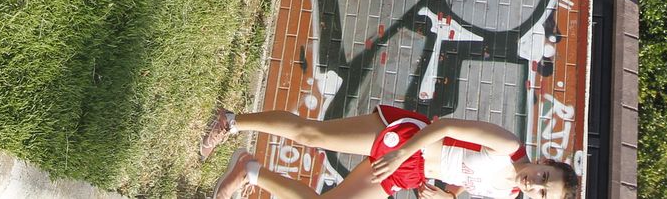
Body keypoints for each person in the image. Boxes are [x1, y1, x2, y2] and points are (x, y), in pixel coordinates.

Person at [198, 104, 578, 199]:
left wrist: (447, 196)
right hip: (406, 138)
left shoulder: (508, 194)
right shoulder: (510, 147)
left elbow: (463, 182)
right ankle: (231, 121)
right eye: (545, 178)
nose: (535, 185)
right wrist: (399, 153)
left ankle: (248, 170)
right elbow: (444, 126)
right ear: (545, 162)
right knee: (313, 135)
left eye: (543, 193)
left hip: (407, 173)